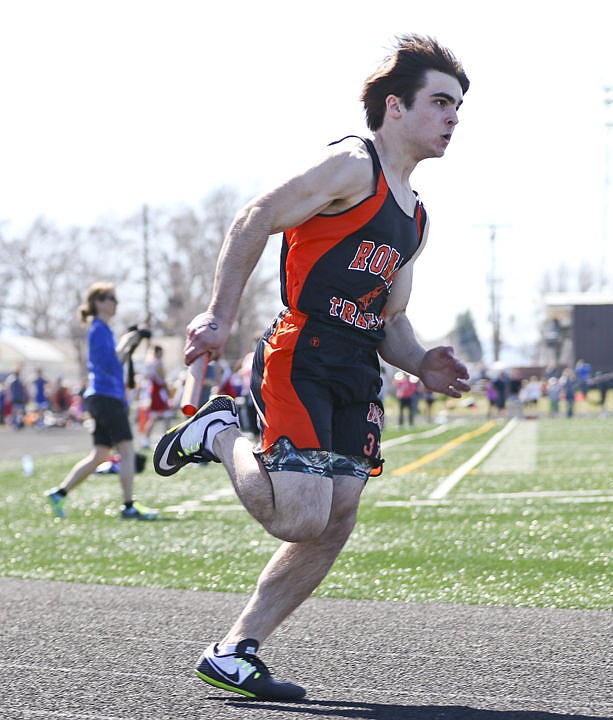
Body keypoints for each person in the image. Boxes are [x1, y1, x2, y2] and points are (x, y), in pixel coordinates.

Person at [153, 34, 470, 702]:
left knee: (336, 518)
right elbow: (256, 215)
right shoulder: (353, 164)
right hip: (304, 349)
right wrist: (217, 313)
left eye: (457, 108)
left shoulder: (415, 216)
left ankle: (234, 650)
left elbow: (390, 322)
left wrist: (423, 363)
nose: (452, 119)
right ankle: (217, 433)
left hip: (358, 368)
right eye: (440, 102)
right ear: (395, 107)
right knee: (299, 517)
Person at [46, 283, 158, 520]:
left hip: (103, 397)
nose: (115, 303)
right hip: (106, 397)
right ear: (98, 302)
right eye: (110, 298)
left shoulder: (102, 329)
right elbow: (111, 363)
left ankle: (59, 492)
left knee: (100, 455)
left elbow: (113, 361)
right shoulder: (98, 329)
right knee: (127, 450)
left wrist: (130, 340)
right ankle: (128, 506)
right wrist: (130, 339)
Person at [141, 345, 172, 446]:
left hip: (154, 393)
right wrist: (168, 392)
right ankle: (167, 439)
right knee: (165, 416)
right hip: (159, 394)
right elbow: (163, 380)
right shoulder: (158, 363)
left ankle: (146, 440)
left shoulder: (150, 363)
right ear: (158, 352)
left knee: (154, 418)